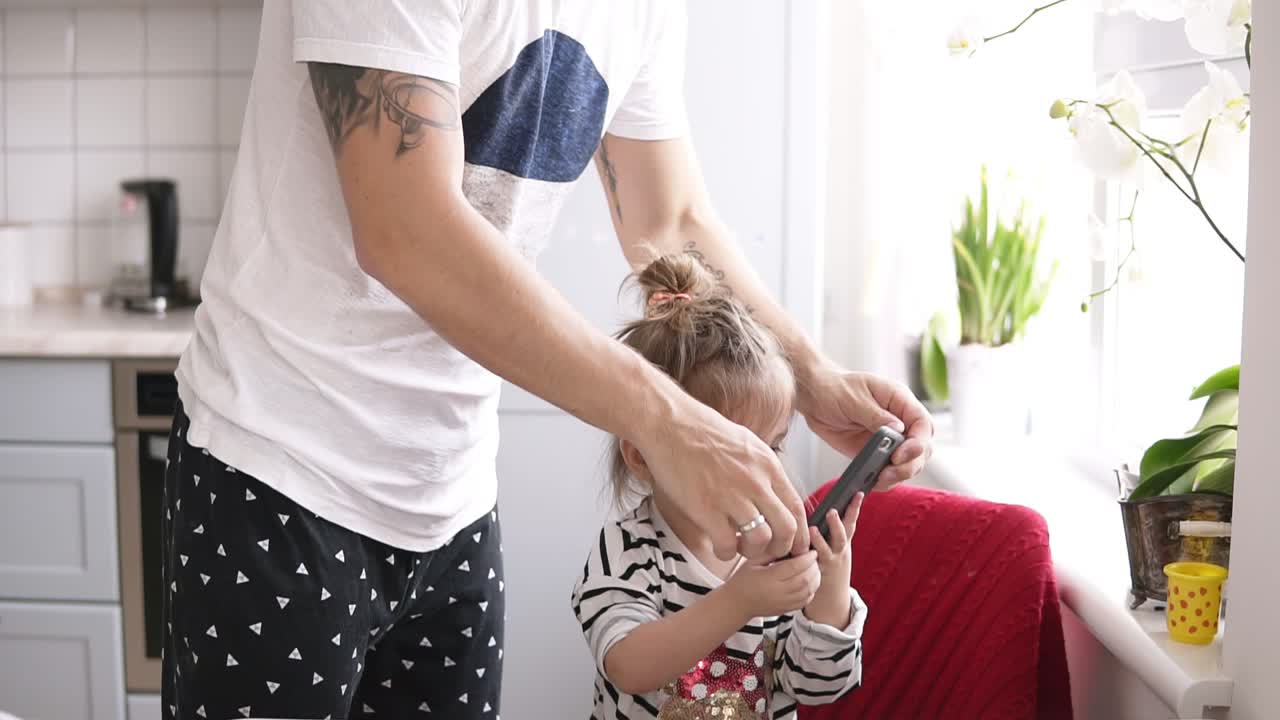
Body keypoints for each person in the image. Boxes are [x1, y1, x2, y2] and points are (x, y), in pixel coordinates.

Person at [163, 1, 932, 718]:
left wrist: (811, 377)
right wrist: (667, 420)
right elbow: (406, 229)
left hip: (452, 499)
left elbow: (668, 219)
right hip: (277, 473)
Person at [573, 254, 867, 719]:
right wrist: (741, 601)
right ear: (642, 457)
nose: (762, 472)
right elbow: (628, 667)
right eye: (733, 454)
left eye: (773, 447)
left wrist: (831, 590)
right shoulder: (629, 549)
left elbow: (817, 686)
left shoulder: (780, 549)